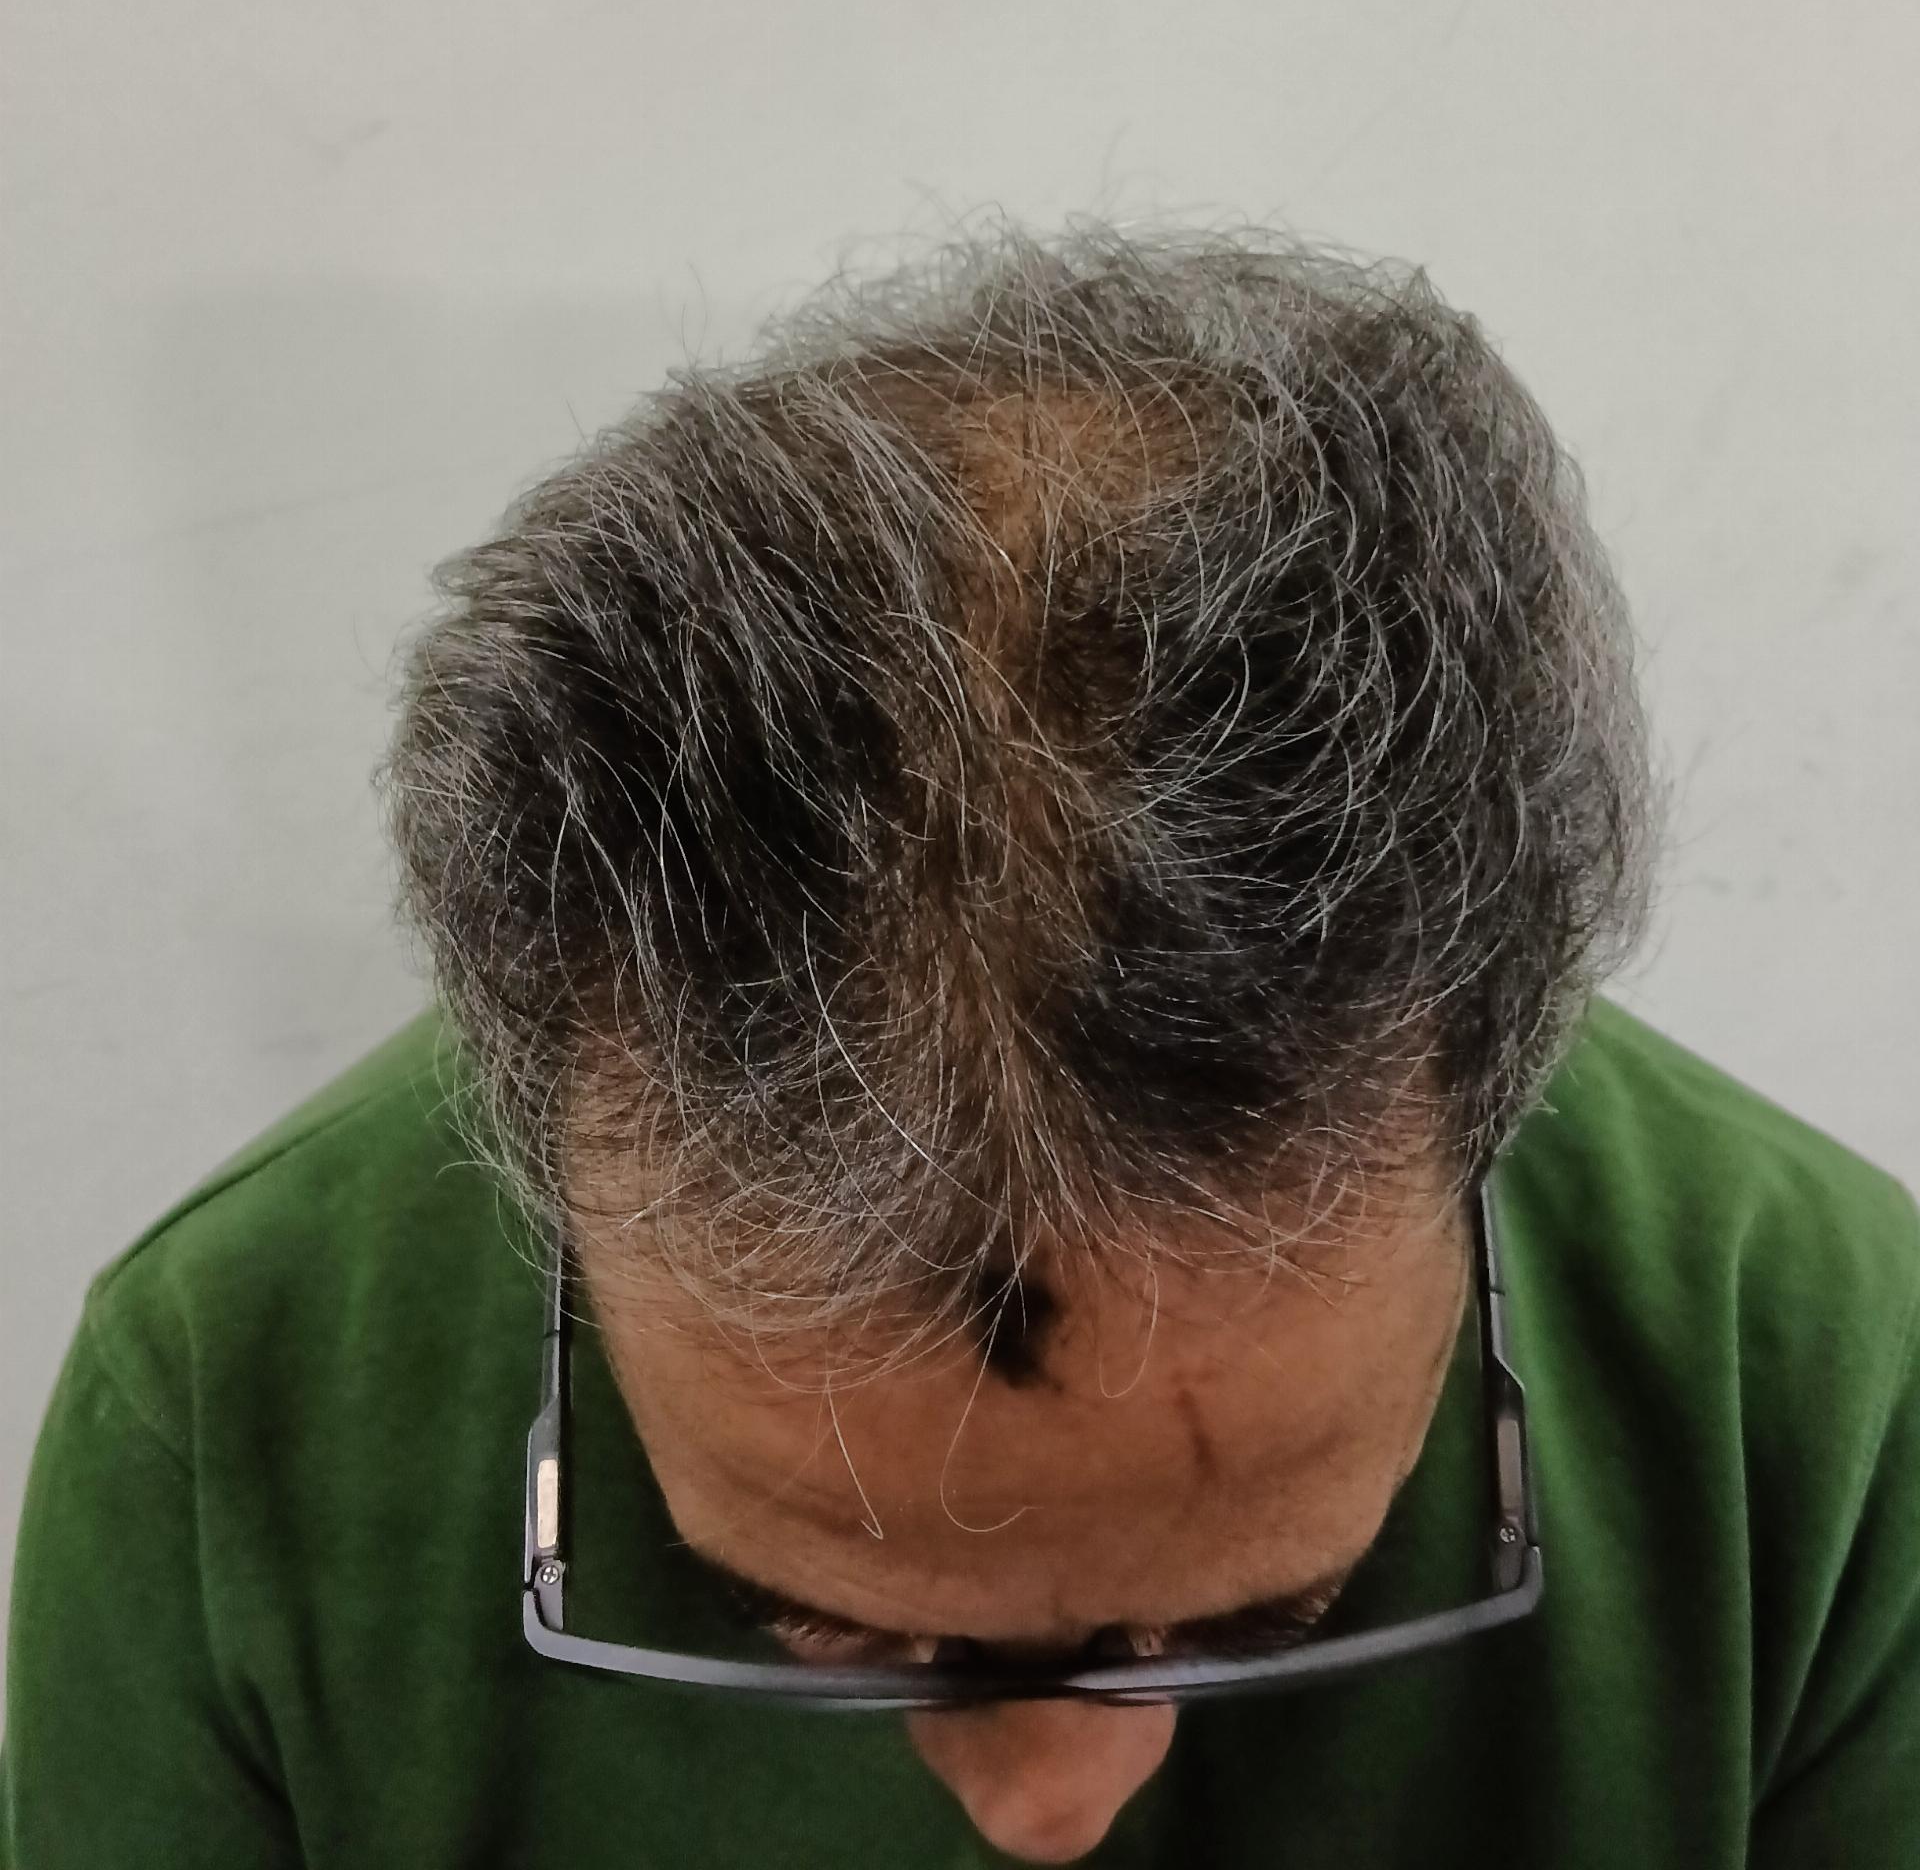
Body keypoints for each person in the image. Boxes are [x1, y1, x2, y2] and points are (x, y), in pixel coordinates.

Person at [4, 220, 1916, 1869]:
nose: (1048, 1809)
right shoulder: (227, 1408)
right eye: (822, 1619)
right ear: (537, 1122)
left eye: (1265, 1616)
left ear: (1501, 1077)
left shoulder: (1822, 1395)